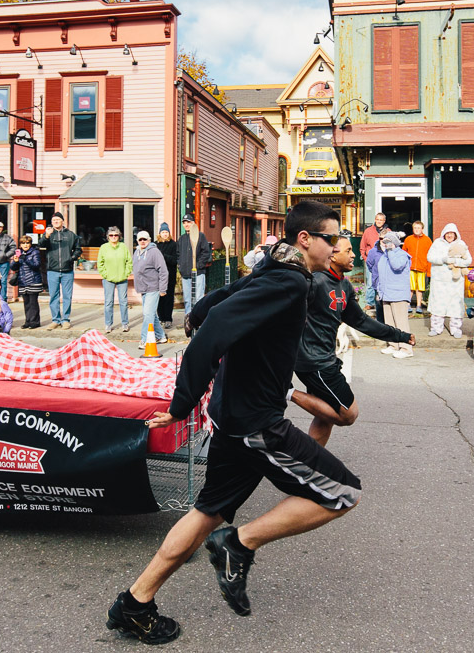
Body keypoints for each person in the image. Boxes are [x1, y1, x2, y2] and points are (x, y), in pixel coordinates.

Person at [105, 201, 360, 645]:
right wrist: (183, 401)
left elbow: (217, 306)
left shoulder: (274, 268)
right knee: (342, 493)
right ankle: (238, 545)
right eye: (331, 238)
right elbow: (219, 321)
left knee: (208, 512)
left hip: (232, 417)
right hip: (255, 422)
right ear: (306, 240)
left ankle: (135, 603)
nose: (337, 246)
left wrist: (197, 313)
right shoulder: (289, 280)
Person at [291, 236, 414, 446]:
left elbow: (362, 322)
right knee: (348, 414)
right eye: (348, 251)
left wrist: (399, 335)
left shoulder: (344, 286)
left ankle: (308, 463)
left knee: (326, 415)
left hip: (325, 358)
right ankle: (287, 392)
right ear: (333, 255)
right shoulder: (314, 281)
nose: (354, 255)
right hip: (314, 361)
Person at [426, 223, 471, 338]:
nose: (449, 235)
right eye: (447, 233)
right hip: (439, 281)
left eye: (452, 233)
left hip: (455, 282)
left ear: (456, 234)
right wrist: (443, 259)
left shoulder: (461, 244)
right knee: (438, 304)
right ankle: (436, 327)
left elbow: (468, 260)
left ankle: (455, 328)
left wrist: (456, 262)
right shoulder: (437, 243)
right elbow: (429, 257)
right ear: (444, 234)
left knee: (455, 304)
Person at [41, 211, 81, 330]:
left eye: (58, 220)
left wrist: (71, 258)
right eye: (53, 220)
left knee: (67, 296)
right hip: (52, 270)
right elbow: (41, 245)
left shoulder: (71, 235)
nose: (56, 222)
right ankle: (55, 320)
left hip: (67, 270)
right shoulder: (48, 234)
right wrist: (46, 236)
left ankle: (65, 319)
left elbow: (78, 249)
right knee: (53, 296)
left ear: (63, 221)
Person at [377, 232, 414, 358]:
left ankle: (406, 348)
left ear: (394, 243)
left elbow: (396, 266)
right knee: (390, 323)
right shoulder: (384, 256)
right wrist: (379, 291)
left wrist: (391, 251)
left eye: (388, 241)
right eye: (384, 241)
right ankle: (393, 345)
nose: (385, 244)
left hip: (398, 294)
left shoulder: (402, 255)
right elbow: (381, 275)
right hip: (386, 293)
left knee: (401, 322)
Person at [131, 231, 168, 349]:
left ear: (149, 240)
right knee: (151, 314)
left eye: (145, 239)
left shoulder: (154, 252)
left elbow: (163, 271)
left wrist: (163, 289)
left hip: (153, 287)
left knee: (147, 314)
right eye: (140, 239)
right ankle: (161, 336)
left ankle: (144, 339)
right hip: (143, 288)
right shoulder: (137, 252)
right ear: (137, 240)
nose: (142, 241)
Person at [97, 226, 132, 333]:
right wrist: (105, 274)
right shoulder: (104, 247)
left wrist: (126, 273)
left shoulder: (123, 247)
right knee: (108, 302)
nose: (113, 237)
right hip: (108, 279)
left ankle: (125, 323)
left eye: (116, 235)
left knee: (123, 302)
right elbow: (100, 263)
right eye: (111, 235)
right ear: (108, 236)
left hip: (122, 278)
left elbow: (129, 261)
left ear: (119, 236)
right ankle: (108, 324)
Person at [176, 213, 212, 316]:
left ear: (193, 223)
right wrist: (180, 266)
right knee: (187, 300)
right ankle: (188, 320)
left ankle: (199, 320)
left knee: (198, 298)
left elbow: (206, 252)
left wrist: (198, 265)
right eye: (184, 222)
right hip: (186, 274)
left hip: (198, 273)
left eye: (188, 222)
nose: (186, 224)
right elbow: (178, 254)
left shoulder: (201, 236)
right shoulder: (182, 239)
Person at [11, 235, 43, 329]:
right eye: (23, 243)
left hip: (33, 280)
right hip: (23, 281)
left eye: (27, 243)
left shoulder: (35, 252)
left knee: (33, 302)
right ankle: (28, 321)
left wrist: (25, 258)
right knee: (26, 303)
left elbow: (36, 265)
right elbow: (13, 268)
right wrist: (15, 261)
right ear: (20, 245)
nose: (25, 245)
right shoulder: (19, 253)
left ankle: (35, 322)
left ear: (30, 244)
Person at [359, 212, 387, 308]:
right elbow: (362, 246)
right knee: (370, 283)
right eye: (377, 219)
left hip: (384, 261)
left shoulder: (388, 231)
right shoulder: (368, 231)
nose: (379, 221)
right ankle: (369, 303)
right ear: (375, 220)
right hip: (371, 261)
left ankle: (383, 301)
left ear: (384, 221)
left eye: (381, 220)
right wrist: (365, 258)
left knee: (383, 281)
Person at [403, 221, 431, 313]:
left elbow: (430, 255)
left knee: (420, 288)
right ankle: (408, 304)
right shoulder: (408, 239)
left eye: (419, 228)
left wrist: (429, 270)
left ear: (422, 229)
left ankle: (419, 305)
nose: (417, 230)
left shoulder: (427, 240)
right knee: (410, 287)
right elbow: (403, 252)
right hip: (410, 267)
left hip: (422, 267)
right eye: (415, 228)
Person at [155, 223, 178, 329]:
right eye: (163, 232)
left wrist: (163, 256)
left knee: (169, 297)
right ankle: (161, 318)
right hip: (157, 276)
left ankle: (168, 318)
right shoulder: (155, 245)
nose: (164, 234)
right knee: (159, 298)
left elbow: (175, 260)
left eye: (166, 232)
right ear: (160, 233)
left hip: (170, 276)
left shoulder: (173, 245)